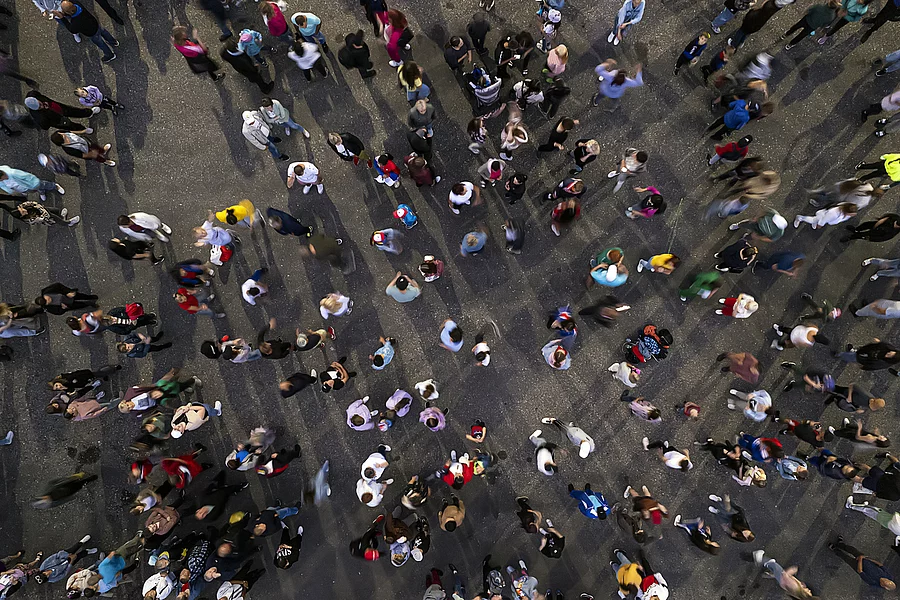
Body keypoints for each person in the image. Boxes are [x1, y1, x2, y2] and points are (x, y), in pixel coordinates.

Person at [54, 0, 119, 63]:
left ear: (69, 12)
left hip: (92, 33)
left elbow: (72, 30)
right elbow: (70, 9)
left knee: (101, 44)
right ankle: (113, 42)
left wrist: (62, 17)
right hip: (95, 24)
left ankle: (110, 55)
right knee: (104, 32)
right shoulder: (77, 4)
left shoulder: (76, 22)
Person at [829, 537, 895, 590]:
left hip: (858, 565)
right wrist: (868, 559)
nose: (885, 579)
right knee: (853, 550)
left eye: (884, 581)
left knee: (846, 558)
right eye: (887, 580)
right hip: (866, 561)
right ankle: (840, 544)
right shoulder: (889, 576)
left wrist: (860, 559)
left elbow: (860, 571)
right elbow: (881, 565)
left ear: (883, 586)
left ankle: (835, 549)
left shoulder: (873, 582)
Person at [32, 472, 98, 508]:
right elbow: (63, 500)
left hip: (67, 486)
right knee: (83, 482)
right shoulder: (53, 500)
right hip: (68, 490)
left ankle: (87, 475)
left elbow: (55, 482)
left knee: (80, 479)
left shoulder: (50, 489)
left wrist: (72, 477)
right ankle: (91, 477)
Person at [0, 165, 64, 201]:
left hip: (31, 184)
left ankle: (55, 186)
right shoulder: (1, 181)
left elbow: (27, 176)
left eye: (1, 179)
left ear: (2, 174)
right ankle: (41, 192)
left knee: (43, 185)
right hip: (24, 189)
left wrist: (35, 183)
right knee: (37, 189)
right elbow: (5, 187)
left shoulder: (13, 173)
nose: (1, 181)